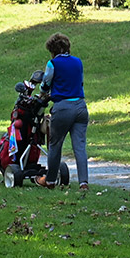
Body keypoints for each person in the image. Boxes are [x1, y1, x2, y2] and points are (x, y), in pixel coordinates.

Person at [40, 32, 89, 190]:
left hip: (63, 107)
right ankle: (83, 182)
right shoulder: (78, 62)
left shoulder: (53, 63)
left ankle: (51, 180)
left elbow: (46, 83)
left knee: (55, 144)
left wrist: (43, 92)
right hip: (81, 106)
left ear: (53, 50)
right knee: (79, 146)